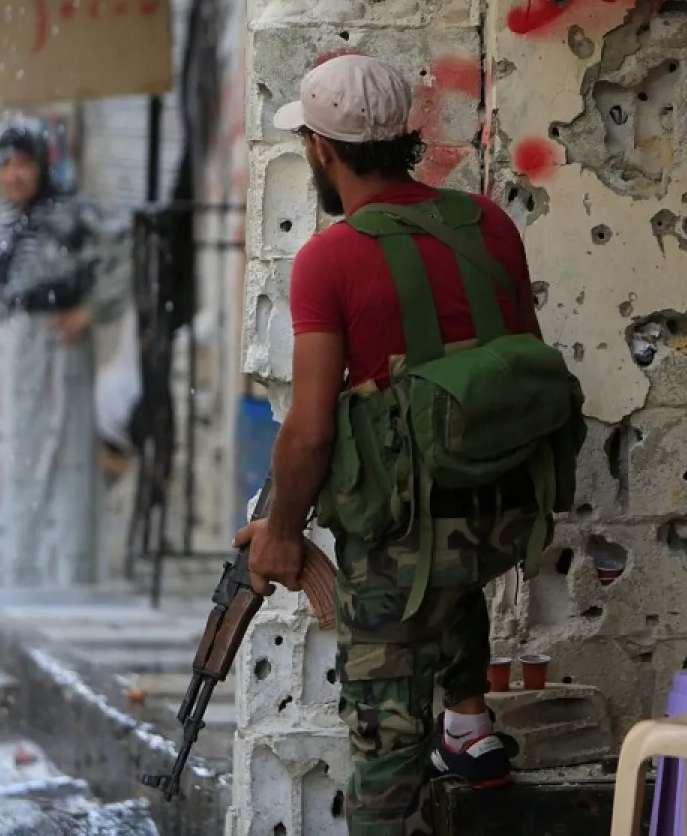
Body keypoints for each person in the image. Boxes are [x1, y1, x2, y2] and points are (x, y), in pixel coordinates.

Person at [233, 55, 585, 834]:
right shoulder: (489, 221)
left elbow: (310, 429)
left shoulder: (329, 257)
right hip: (507, 508)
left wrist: (283, 534)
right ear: (405, 137)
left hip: (412, 532)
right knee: (439, 555)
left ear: (321, 150)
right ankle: (468, 727)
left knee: (384, 751)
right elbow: (516, 346)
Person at [0, 115, 131, 590]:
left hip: (53, 357)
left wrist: (90, 311)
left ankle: (60, 575)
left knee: (55, 463)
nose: (16, 175)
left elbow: (124, 253)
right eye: (7, 165)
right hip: (1, 364)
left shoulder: (71, 214)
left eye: (25, 164)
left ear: (42, 165)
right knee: (4, 463)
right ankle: (5, 571)